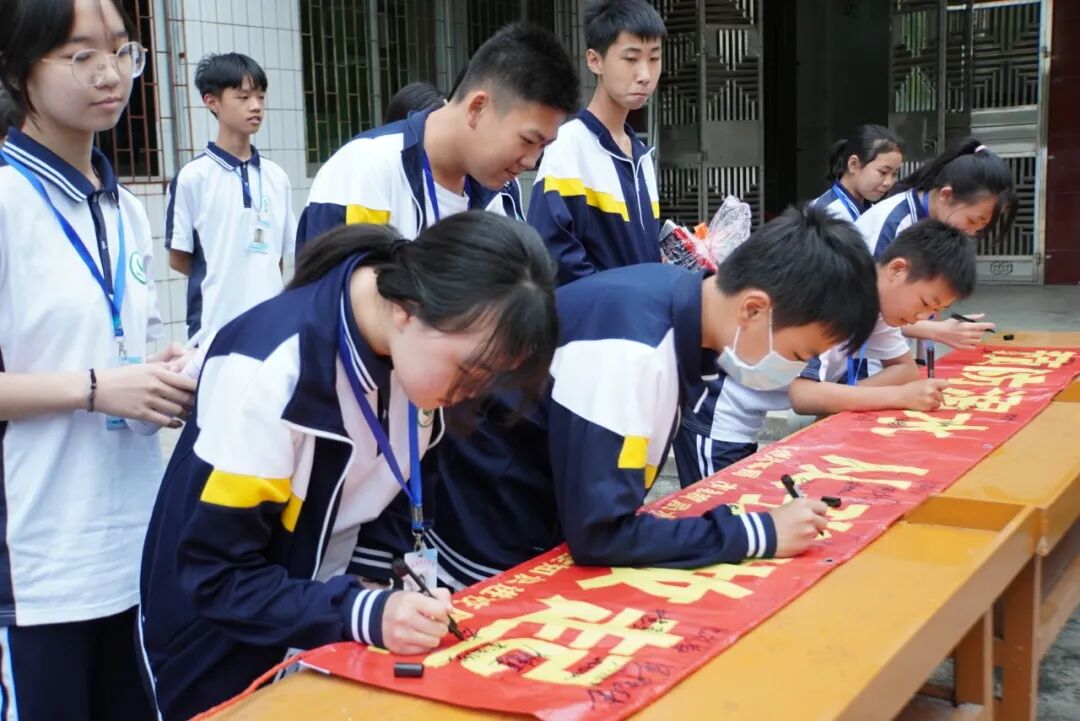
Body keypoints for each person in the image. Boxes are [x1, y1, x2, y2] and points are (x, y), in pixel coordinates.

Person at [139, 212, 559, 720]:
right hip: (220, 651)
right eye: (470, 373)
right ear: (408, 309)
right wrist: (361, 611)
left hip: (317, 629)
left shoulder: (409, 352)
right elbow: (214, 576)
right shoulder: (271, 373)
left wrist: (384, 592)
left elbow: (385, 496)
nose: (472, 393)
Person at [409, 206, 880, 589]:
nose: (793, 369)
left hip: (533, 524)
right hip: (491, 551)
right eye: (799, 352)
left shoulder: (678, 300)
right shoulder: (630, 351)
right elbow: (599, 533)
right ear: (754, 308)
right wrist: (759, 533)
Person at [0, 0, 196, 718]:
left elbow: (119, 350)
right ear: (23, 70)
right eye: (81, 56)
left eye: (122, 51)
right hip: (35, 567)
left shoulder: (124, 209)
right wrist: (94, 388)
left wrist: (158, 372)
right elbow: (91, 376)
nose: (111, 74)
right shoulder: (7, 199)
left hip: (128, 549)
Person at [296, 23, 580, 250]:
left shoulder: (503, 191)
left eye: (544, 146)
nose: (531, 161)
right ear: (477, 108)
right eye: (529, 141)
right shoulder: (365, 170)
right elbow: (329, 305)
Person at [527, 0, 666, 285]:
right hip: (597, 324)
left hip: (640, 322)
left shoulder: (640, 155)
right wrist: (617, 302)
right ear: (595, 61)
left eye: (654, 58)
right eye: (631, 58)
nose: (645, 75)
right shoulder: (569, 144)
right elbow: (553, 254)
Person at [166, 53, 296, 346]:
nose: (256, 107)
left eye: (261, 97)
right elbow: (178, 257)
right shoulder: (192, 178)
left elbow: (278, 256)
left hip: (270, 327)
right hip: (214, 329)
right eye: (243, 97)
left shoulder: (277, 177)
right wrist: (227, 275)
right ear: (211, 102)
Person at [789, 218, 975, 415]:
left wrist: (848, 397)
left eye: (936, 310)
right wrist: (899, 396)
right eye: (925, 303)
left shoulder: (878, 304)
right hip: (755, 416)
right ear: (897, 269)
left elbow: (905, 370)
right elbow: (802, 395)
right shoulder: (837, 293)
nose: (922, 317)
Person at [857, 137, 1014, 350]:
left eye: (981, 227)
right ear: (946, 195)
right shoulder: (892, 225)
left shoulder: (931, 223)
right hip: (862, 356)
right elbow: (876, 310)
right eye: (972, 220)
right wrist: (937, 330)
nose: (972, 231)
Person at [812, 124, 903, 222]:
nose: (889, 182)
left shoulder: (874, 210)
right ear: (853, 164)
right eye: (883, 172)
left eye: (894, 174)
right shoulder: (822, 214)